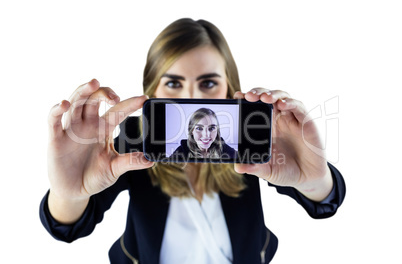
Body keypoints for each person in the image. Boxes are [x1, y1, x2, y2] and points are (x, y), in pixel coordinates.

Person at [40, 18, 346, 263]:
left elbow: (323, 203)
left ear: (229, 89)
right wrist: (69, 193)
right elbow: (69, 226)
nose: (192, 99)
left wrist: (315, 180)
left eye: (209, 83)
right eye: (173, 83)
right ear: (153, 91)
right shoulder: (135, 141)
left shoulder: (248, 139)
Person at [169, 107, 237, 160]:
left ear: (217, 130)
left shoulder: (223, 147)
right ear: (191, 131)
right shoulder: (181, 151)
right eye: (199, 128)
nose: (206, 135)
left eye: (212, 128)